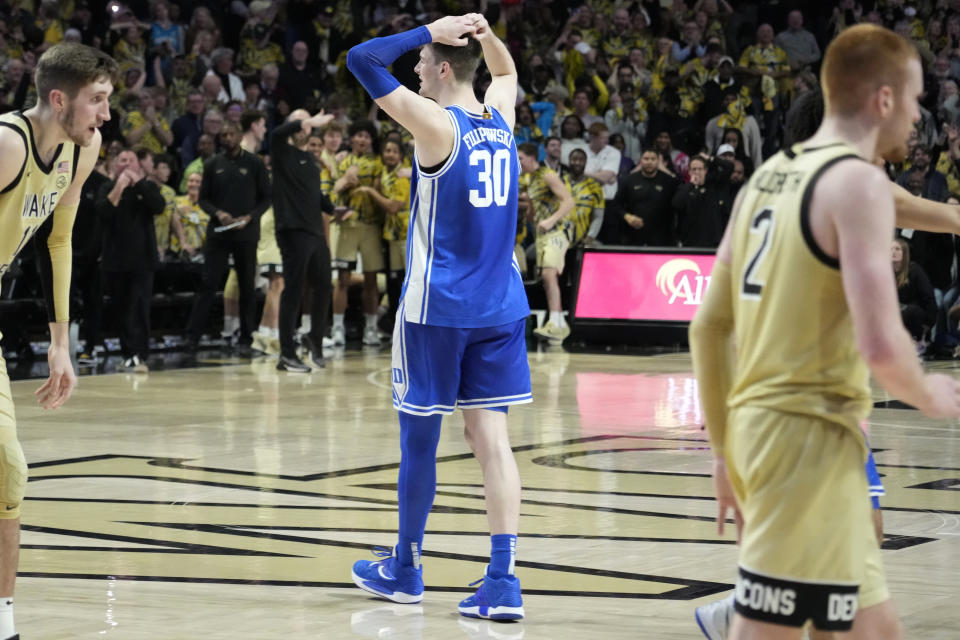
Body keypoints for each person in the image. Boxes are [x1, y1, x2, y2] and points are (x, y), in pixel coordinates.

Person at [689, 24, 960, 640]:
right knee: (768, 630)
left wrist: (726, 451)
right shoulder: (859, 184)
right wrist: (928, 392)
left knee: (873, 629)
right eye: (916, 100)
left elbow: (708, 326)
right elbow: (881, 343)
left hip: (792, 437)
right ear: (884, 100)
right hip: (804, 440)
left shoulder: (768, 176)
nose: (920, 116)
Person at [347, 12, 530, 620]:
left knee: (419, 438)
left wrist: (432, 27)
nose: (417, 67)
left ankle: (405, 568)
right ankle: (502, 581)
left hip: (438, 308)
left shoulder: (434, 124)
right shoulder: (500, 115)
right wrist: (483, 34)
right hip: (500, 305)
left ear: (444, 68)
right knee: (493, 442)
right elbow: (505, 69)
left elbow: (363, 59)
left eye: (424, 61)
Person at [0, 42, 117, 640]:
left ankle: (3, 625)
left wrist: (59, 342)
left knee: (7, 470)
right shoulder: (7, 144)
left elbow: (57, 242)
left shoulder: (83, 148)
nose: (105, 114)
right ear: (57, 98)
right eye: (96, 100)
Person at [184, 121, 271, 352]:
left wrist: (250, 217)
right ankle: (193, 336)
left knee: (247, 285)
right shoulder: (213, 164)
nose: (228, 138)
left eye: (232, 134)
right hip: (219, 233)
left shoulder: (255, 163)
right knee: (208, 283)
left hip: (246, 232)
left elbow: (267, 198)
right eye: (224, 135)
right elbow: (203, 199)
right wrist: (218, 213)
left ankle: (247, 334)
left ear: (240, 135)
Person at [269, 108, 336, 372]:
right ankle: (286, 353)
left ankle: (314, 339)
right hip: (293, 230)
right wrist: (307, 120)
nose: (304, 128)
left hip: (315, 232)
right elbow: (276, 133)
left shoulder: (310, 160)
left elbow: (314, 196)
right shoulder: (280, 151)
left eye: (307, 124)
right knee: (294, 290)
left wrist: (332, 207)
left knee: (323, 287)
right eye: (299, 122)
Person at [97, 149, 166, 372]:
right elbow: (104, 212)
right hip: (115, 260)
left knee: (139, 308)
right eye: (122, 161)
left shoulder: (149, 187)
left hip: (143, 261)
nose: (127, 165)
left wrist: (140, 184)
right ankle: (128, 354)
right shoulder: (107, 188)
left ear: (139, 165)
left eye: (131, 161)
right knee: (121, 308)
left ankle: (140, 355)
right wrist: (120, 186)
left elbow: (159, 206)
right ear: (115, 166)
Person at [516, 142, 574, 343]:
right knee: (546, 276)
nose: (519, 162)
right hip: (543, 234)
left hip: (558, 230)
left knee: (549, 274)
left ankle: (557, 323)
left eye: (521, 158)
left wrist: (550, 221)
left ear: (532, 157)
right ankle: (557, 323)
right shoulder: (530, 179)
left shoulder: (548, 174)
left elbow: (569, 201)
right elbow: (530, 204)